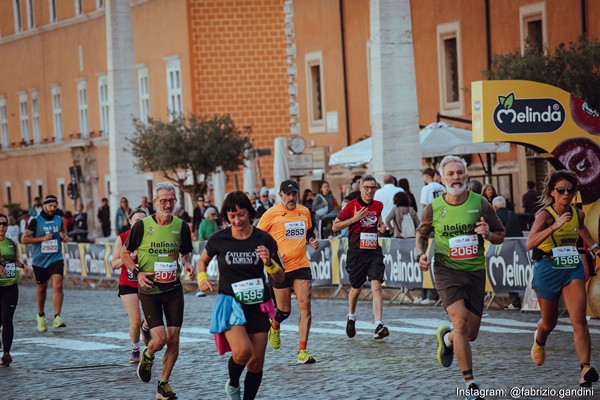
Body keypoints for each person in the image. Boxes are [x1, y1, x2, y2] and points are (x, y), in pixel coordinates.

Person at [415, 155, 505, 396]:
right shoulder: (433, 208)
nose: (456, 177)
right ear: (442, 179)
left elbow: (500, 234)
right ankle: (470, 383)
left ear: (466, 175)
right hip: (446, 271)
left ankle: (447, 340)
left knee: (470, 333)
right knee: (461, 324)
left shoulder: (480, 203)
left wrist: (488, 234)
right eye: (451, 174)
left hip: (475, 271)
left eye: (459, 173)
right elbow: (422, 234)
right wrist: (421, 255)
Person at [196, 191, 285, 400]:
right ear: (226, 216)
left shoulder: (264, 239)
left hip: (258, 304)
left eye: (241, 215)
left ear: (250, 213)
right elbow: (202, 261)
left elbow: (280, 277)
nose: (237, 220)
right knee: (243, 352)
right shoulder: (219, 239)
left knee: (256, 361)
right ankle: (233, 383)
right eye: (232, 216)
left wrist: (269, 263)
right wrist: (201, 277)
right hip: (231, 304)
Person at [526, 170, 600, 387]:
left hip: (571, 267)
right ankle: (540, 339)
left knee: (579, 319)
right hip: (547, 267)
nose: (566, 194)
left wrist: (594, 247)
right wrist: (555, 226)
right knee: (550, 322)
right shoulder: (545, 215)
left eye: (570, 190)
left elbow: (580, 228)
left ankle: (585, 368)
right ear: (553, 193)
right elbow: (530, 243)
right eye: (561, 190)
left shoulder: (578, 213)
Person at [121, 182, 195, 400]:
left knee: (174, 339)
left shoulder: (181, 226)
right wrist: (137, 272)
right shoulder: (142, 226)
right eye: (163, 200)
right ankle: (148, 353)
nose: (168, 204)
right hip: (150, 289)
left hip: (173, 288)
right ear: (155, 202)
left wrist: (187, 263)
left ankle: (163, 385)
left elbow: (185, 253)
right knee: (160, 339)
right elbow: (125, 254)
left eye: (171, 200)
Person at [257, 180, 320, 364]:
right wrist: (267, 254)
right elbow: (256, 236)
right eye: (288, 194)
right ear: (281, 195)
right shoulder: (271, 214)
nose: (291, 197)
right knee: (284, 311)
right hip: (279, 269)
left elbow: (309, 231)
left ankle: (302, 350)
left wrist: (312, 240)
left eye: (294, 194)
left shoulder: (304, 211)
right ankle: (275, 325)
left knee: (305, 305)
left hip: (301, 265)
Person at [332, 175, 390, 340]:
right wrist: (354, 219)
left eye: (372, 188)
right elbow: (335, 226)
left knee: (377, 286)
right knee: (356, 289)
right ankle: (351, 316)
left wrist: (382, 225)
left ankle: (378, 324)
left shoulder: (378, 205)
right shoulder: (351, 206)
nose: (369, 191)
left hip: (373, 251)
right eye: (366, 187)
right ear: (360, 187)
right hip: (356, 252)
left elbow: (378, 220)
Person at [21, 195, 72, 332]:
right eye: (50, 206)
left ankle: (57, 317)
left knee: (58, 284)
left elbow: (62, 232)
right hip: (40, 260)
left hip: (56, 258)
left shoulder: (58, 219)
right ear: (44, 205)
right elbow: (24, 239)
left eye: (55, 206)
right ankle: (41, 315)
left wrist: (64, 237)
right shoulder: (35, 221)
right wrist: (42, 238)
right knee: (41, 288)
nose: (52, 209)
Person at [111, 208, 151, 364]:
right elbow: (114, 264)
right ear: (130, 222)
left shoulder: (151, 237)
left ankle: (146, 328)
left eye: (143, 221)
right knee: (135, 320)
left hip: (147, 281)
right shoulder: (122, 238)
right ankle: (135, 350)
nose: (140, 223)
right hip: (128, 284)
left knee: (152, 317)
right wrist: (127, 257)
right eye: (136, 221)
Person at [0, 213, 34, 366]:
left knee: (7, 320)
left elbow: (12, 259)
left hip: (10, 286)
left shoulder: (11, 243)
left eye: (4, 224)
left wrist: (24, 266)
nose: (2, 227)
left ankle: (6, 353)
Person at [418, 167, 446, 305]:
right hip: (444, 224)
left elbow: (424, 207)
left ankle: (431, 294)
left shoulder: (426, 189)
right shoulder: (442, 187)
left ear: (425, 176)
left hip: (431, 225)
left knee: (429, 259)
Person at [492, 196, 523, 310]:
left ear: (495, 207)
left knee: (507, 275)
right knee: (514, 274)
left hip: (502, 250)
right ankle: (516, 301)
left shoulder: (496, 217)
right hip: (517, 248)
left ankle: (515, 301)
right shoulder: (513, 215)